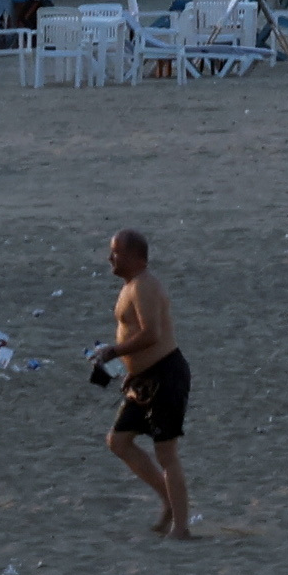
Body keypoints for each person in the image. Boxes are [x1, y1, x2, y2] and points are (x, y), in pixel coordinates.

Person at [90, 227, 192, 539]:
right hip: (143, 379)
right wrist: (128, 370)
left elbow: (152, 334)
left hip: (166, 375)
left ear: (135, 257)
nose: (110, 258)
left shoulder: (145, 286)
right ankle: (168, 502)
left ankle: (181, 528)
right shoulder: (130, 286)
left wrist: (114, 351)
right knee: (118, 441)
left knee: (166, 453)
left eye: (116, 252)